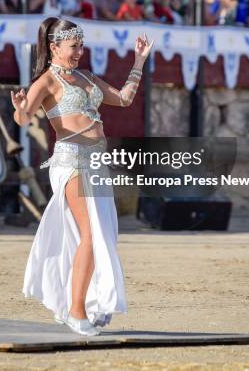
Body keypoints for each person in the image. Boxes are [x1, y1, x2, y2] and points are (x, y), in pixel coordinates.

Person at [16, 19, 153, 334]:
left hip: (96, 162)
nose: (79, 51)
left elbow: (124, 98)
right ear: (55, 47)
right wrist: (20, 109)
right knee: (91, 235)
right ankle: (76, 312)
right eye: (73, 46)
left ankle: (78, 304)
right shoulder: (47, 82)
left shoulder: (86, 76)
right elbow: (23, 118)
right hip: (71, 161)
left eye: (81, 45)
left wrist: (139, 61)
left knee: (101, 236)